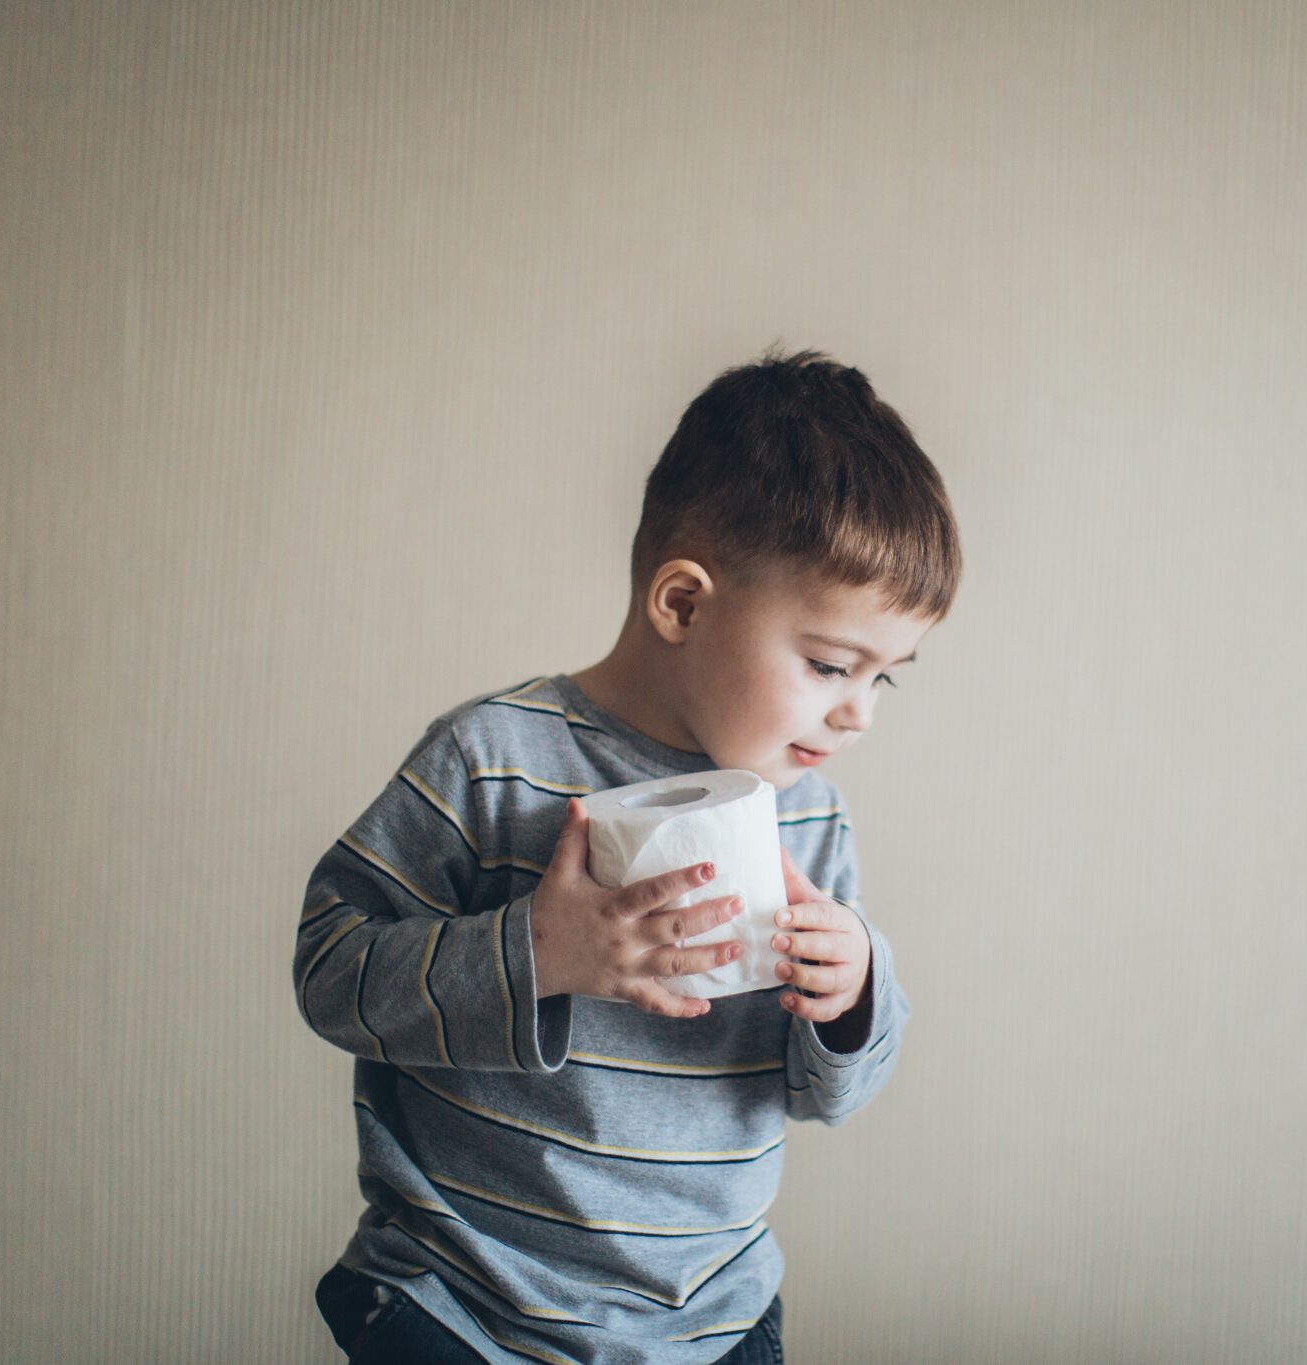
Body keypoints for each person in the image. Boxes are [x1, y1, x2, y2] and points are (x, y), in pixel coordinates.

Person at [293, 347, 962, 1363]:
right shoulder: (493, 762)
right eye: (831, 664)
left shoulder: (807, 819)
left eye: (885, 680)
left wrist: (854, 990)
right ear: (683, 604)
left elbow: (822, 1094)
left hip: (709, 1319)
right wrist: (537, 953)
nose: (856, 713)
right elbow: (331, 971)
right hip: (462, 1304)